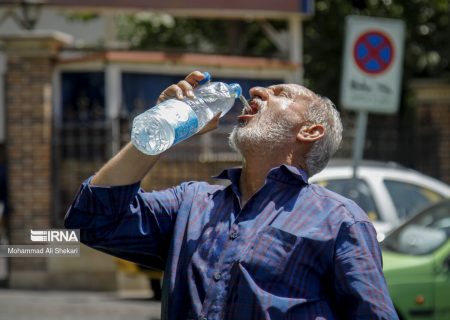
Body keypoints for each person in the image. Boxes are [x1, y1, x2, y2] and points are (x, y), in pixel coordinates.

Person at [65, 71, 398, 320]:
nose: (256, 90)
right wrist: (160, 129)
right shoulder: (191, 204)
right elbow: (92, 220)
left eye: (280, 92)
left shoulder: (339, 221)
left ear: (309, 131)